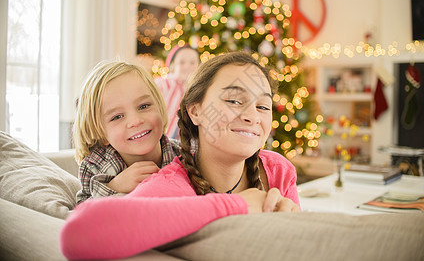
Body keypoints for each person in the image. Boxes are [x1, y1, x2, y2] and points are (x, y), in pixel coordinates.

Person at [60, 52, 300, 260]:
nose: (253, 116)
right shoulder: (168, 181)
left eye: (263, 106)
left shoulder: (278, 169)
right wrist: (237, 204)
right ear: (195, 111)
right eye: (234, 101)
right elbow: (79, 231)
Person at [73, 61, 181, 204]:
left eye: (144, 106)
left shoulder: (185, 154)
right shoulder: (96, 166)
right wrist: (115, 187)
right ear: (101, 133)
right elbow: (82, 212)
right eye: (117, 117)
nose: (135, 121)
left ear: (159, 107)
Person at [155, 45, 200, 139]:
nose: (187, 66)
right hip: (162, 137)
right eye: (182, 62)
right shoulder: (164, 84)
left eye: (192, 63)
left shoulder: (199, 90)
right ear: (172, 66)